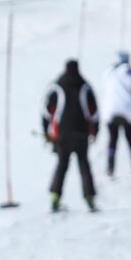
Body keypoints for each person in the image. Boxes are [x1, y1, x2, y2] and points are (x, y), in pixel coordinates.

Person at [42, 59, 99, 212]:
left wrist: (46, 131)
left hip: (62, 134)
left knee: (62, 166)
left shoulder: (57, 86)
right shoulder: (85, 85)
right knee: (84, 166)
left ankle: (55, 197)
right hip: (81, 134)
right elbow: (94, 112)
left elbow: (47, 111)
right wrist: (95, 132)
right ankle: (90, 198)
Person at [102, 51, 131, 177]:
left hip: (111, 110)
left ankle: (110, 168)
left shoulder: (109, 72)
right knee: (130, 138)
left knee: (112, 140)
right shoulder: (129, 71)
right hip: (128, 110)